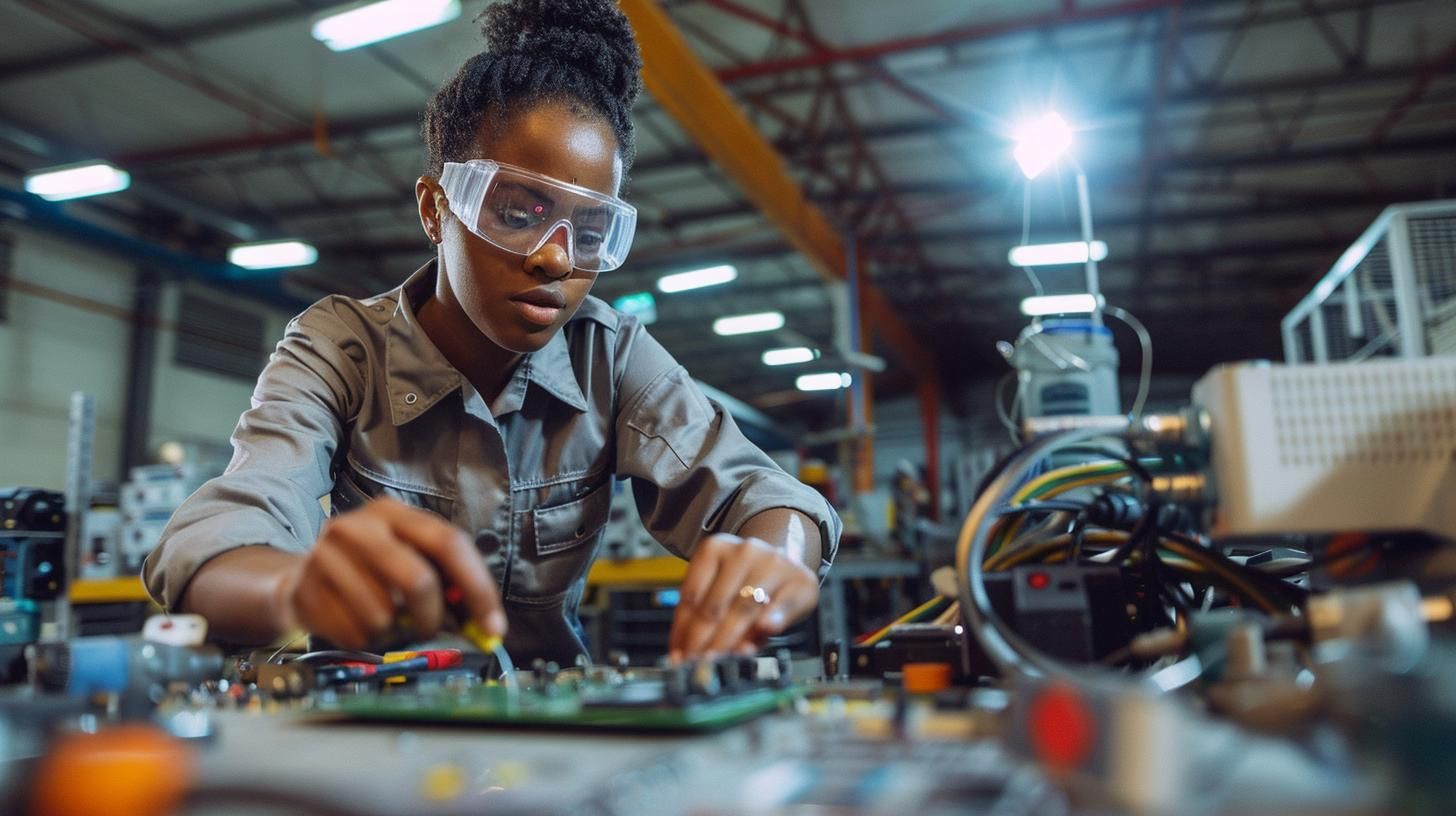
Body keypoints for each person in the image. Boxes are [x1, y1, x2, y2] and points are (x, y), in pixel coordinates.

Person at [142, 0, 840, 666]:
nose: (555, 256)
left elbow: (766, 497)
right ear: (435, 208)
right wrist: (293, 590)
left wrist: (774, 557)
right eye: (517, 211)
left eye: (590, 231)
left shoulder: (613, 357)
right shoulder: (339, 348)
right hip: (376, 720)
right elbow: (216, 539)